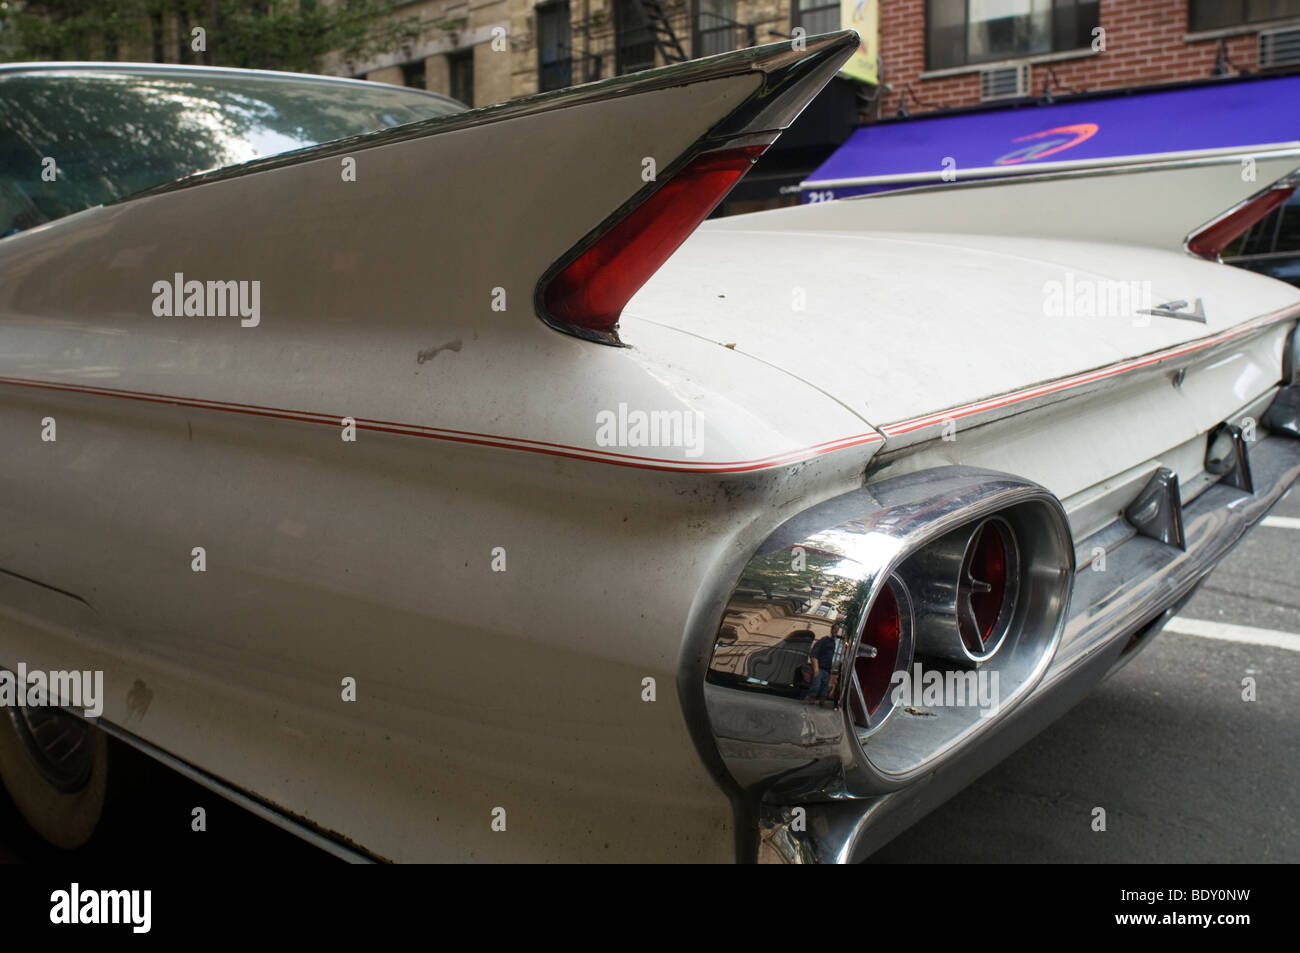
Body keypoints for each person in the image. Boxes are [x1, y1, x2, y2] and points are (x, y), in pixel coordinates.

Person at [804, 632, 837, 702]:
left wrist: (831, 670)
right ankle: (811, 699)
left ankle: (820, 699)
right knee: (815, 687)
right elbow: (813, 654)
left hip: (827, 670)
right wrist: (816, 668)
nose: (837, 632)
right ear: (832, 630)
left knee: (824, 691)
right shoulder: (824, 640)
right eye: (836, 630)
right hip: (820, 668)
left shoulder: (834, 643)